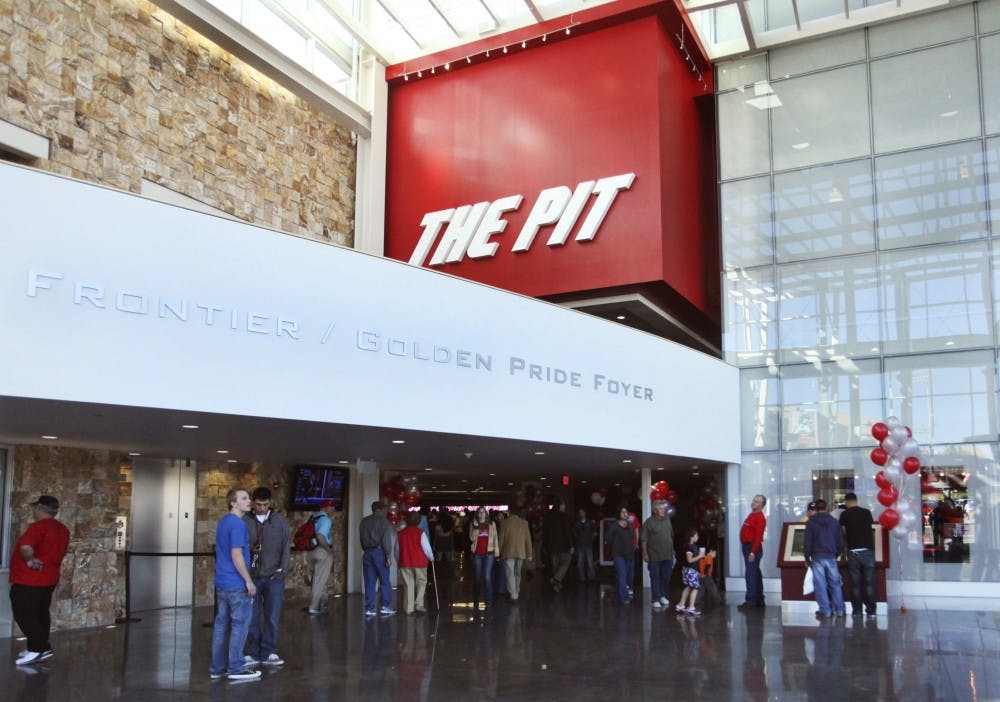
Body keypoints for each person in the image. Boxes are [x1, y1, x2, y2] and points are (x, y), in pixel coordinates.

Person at [10, 495, 71, 665]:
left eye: (34, 508)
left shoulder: (38, 527)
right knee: (40, 614)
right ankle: (37, 649)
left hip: (29, 579)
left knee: (24, 614)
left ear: (39, 508)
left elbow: (26, 547)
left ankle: (39, 648)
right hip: (49, 578)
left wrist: (30, 559)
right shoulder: (63, 529)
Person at [210, 487, 261, 681]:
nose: (249, 501)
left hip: (221, 582)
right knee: (240, 625)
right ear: (233, 502)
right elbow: (236, 554)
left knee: (221, 625)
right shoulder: (238, 525)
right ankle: (236, 667)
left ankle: (217, 667)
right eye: (244, 498)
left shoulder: (223, 522)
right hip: (236, 583)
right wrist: (248, 581)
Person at [242, 487, 291, 667]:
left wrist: (282, 570)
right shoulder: (245, 521)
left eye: (265, 504)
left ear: (270, 503)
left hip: (273, 577)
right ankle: (252, 651)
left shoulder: (280, 522)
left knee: (272, 616)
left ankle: (269, 650)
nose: (262, 508)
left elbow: (286, 547)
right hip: (252, 575)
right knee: (251, 617)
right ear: (253, 503)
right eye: (258, 504)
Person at [803, 499, 845, 619]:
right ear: (827, 508)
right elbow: (840, 541)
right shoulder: (834, 522)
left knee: (820, 585)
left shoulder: (811, 522)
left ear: (816, 509)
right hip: (831, 556)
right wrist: (836, 553)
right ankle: (840, 610)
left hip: (817, 557)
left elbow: (808, 542)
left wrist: (807, 557)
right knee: (835, 584)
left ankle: (825, 611)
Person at [839, 492, 876, 618]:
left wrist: (844, 551)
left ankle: (857, 612)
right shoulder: (866, 512)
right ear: (856, 500)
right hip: (868, 551)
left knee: (855, 584)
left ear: (847, 502)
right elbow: (871, 529)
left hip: (853, 552)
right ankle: (871, 611)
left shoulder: (845, 514)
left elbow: (843, 534)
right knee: (869, 583)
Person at [360, 501, 396, 617]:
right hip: (380, 552)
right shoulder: (383, 521)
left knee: (369, 581)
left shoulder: (364, 521)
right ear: (379, 510)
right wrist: (388, 556)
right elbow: (386, 540)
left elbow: (361, 539)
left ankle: (369, 608)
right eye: (384, 509)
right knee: (384, 580)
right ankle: (385, 606)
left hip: (367, 552)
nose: (386, 512)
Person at [640, 499, 675, 610]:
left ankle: (662, 595)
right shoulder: (649, 522)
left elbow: (670, 536)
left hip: (668, 554)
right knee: (655, 577)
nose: (663, 510)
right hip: (654, 555)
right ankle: (655, 599)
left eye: (663, 508)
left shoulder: (667, 520)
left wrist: (673, 550)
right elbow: (644, 540)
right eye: (660, 509)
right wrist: (645, 554)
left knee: (666, 576)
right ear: (655, 510)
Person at [398, 512, 434, 615]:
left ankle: (409, 608)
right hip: (420, 562)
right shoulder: (420, 532)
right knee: (421, 582)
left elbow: (397, 549)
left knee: (408, 584)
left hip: (405, 561)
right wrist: (431, 557)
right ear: (418, 521)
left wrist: (398, 560)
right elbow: (426, 548)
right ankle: (418, 604)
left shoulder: (400, 533)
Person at [738, 494, 767, 610]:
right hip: (748, 547)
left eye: (756, 501)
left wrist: (753, 553)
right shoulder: (753, 515)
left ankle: (751, 601)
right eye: (753, 500)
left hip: (752, 548)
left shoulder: (760, 517)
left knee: (750, 575)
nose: (753, 502)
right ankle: (758, 599)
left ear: (761, 505)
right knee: (755, 574)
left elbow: (758, 537)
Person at [675, 527, 714, 616]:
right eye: (696, 535)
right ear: (691, 537)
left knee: (688, 587)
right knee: (695, 587)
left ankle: (681, 604)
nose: (697, 537)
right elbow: (690, 560)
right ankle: (691, 607)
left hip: (688, 570)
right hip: (691, 570)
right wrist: (700, 556)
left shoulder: (692, 546)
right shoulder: (690, 548)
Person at [308, 499, 337, 615]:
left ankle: (322, 603)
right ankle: (314, 606)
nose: (333, 510)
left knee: (318, 578)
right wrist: (328, 550)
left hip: (311, 551)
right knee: (320, 580)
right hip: (322, 551)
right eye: (332, 507)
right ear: (326, 508)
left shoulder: (314, 517)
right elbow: (320, 536)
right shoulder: (325, 519)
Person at [498, 505, 532, 602]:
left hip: (508, 552)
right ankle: (517, 590)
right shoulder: (524, 523)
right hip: (521, 552)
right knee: (517, 573)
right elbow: (528, 540)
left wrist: (498, 552)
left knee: (510, 573)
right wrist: (529, 553)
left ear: (509, 512)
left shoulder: (504, 523)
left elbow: (501, 540)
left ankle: (513, 594)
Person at [469, 506, 499, 606]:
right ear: (477, 514)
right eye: (480, 512)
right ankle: (476, 596)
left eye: (483, 512)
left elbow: (495, 539)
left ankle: (488, 598)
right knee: (478, 576)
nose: (482, 514)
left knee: (487, 576)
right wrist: (476, 527)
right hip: (477, 553)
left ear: (486, 514)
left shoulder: (492, 524)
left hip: (489, 553)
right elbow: (472, 538)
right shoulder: (473, 524)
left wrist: (497, 553)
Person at [543, 499, 574, 592]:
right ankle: (556, 580)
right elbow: (567, 532)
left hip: (552, 547)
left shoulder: (548, 517)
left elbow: (545, 533)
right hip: (564, 546)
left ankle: (557, 586)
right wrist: (571, 545)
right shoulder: (565, 517)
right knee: (565, 563)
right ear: (560, 506)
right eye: (563, 505)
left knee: (555, 566)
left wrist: (545, 546)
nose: (565, 507)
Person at [605, 506, 635, 604]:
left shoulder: (630, 525)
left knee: (629, 576)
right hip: (618, 554)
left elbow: (633, 536)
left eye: (626, 512)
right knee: (622, 574)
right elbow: (608, 538)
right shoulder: (614, 525)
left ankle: (618, 594)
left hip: (629, 554)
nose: (624, 514)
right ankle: (624, 597)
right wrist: (615, 543)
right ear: (618, 514)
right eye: (622, 512)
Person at [573, 508, 596, 582]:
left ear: (585, 513)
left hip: (588, 544)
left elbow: (594, 531)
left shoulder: (590, 522)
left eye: (582, 512)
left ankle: (591, 577)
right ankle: (581, 578)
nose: (581, 514)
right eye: (579, 512)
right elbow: (574, 533)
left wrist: (592, 538)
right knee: (580, 563)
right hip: (580, 545)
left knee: (590, 562)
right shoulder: (577, 523)